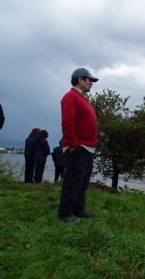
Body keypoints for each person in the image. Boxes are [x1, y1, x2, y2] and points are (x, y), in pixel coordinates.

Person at [58, 68, 98, 222]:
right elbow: (67, 123)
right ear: (80, 80)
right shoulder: (70, 97)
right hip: (78, 146)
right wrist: (73, 145)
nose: (91, 84)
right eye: (89, 80)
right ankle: (65, 213)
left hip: (87, 147)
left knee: (83, 181)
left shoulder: (82, 98)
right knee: (73, 181)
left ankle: (78, 209)